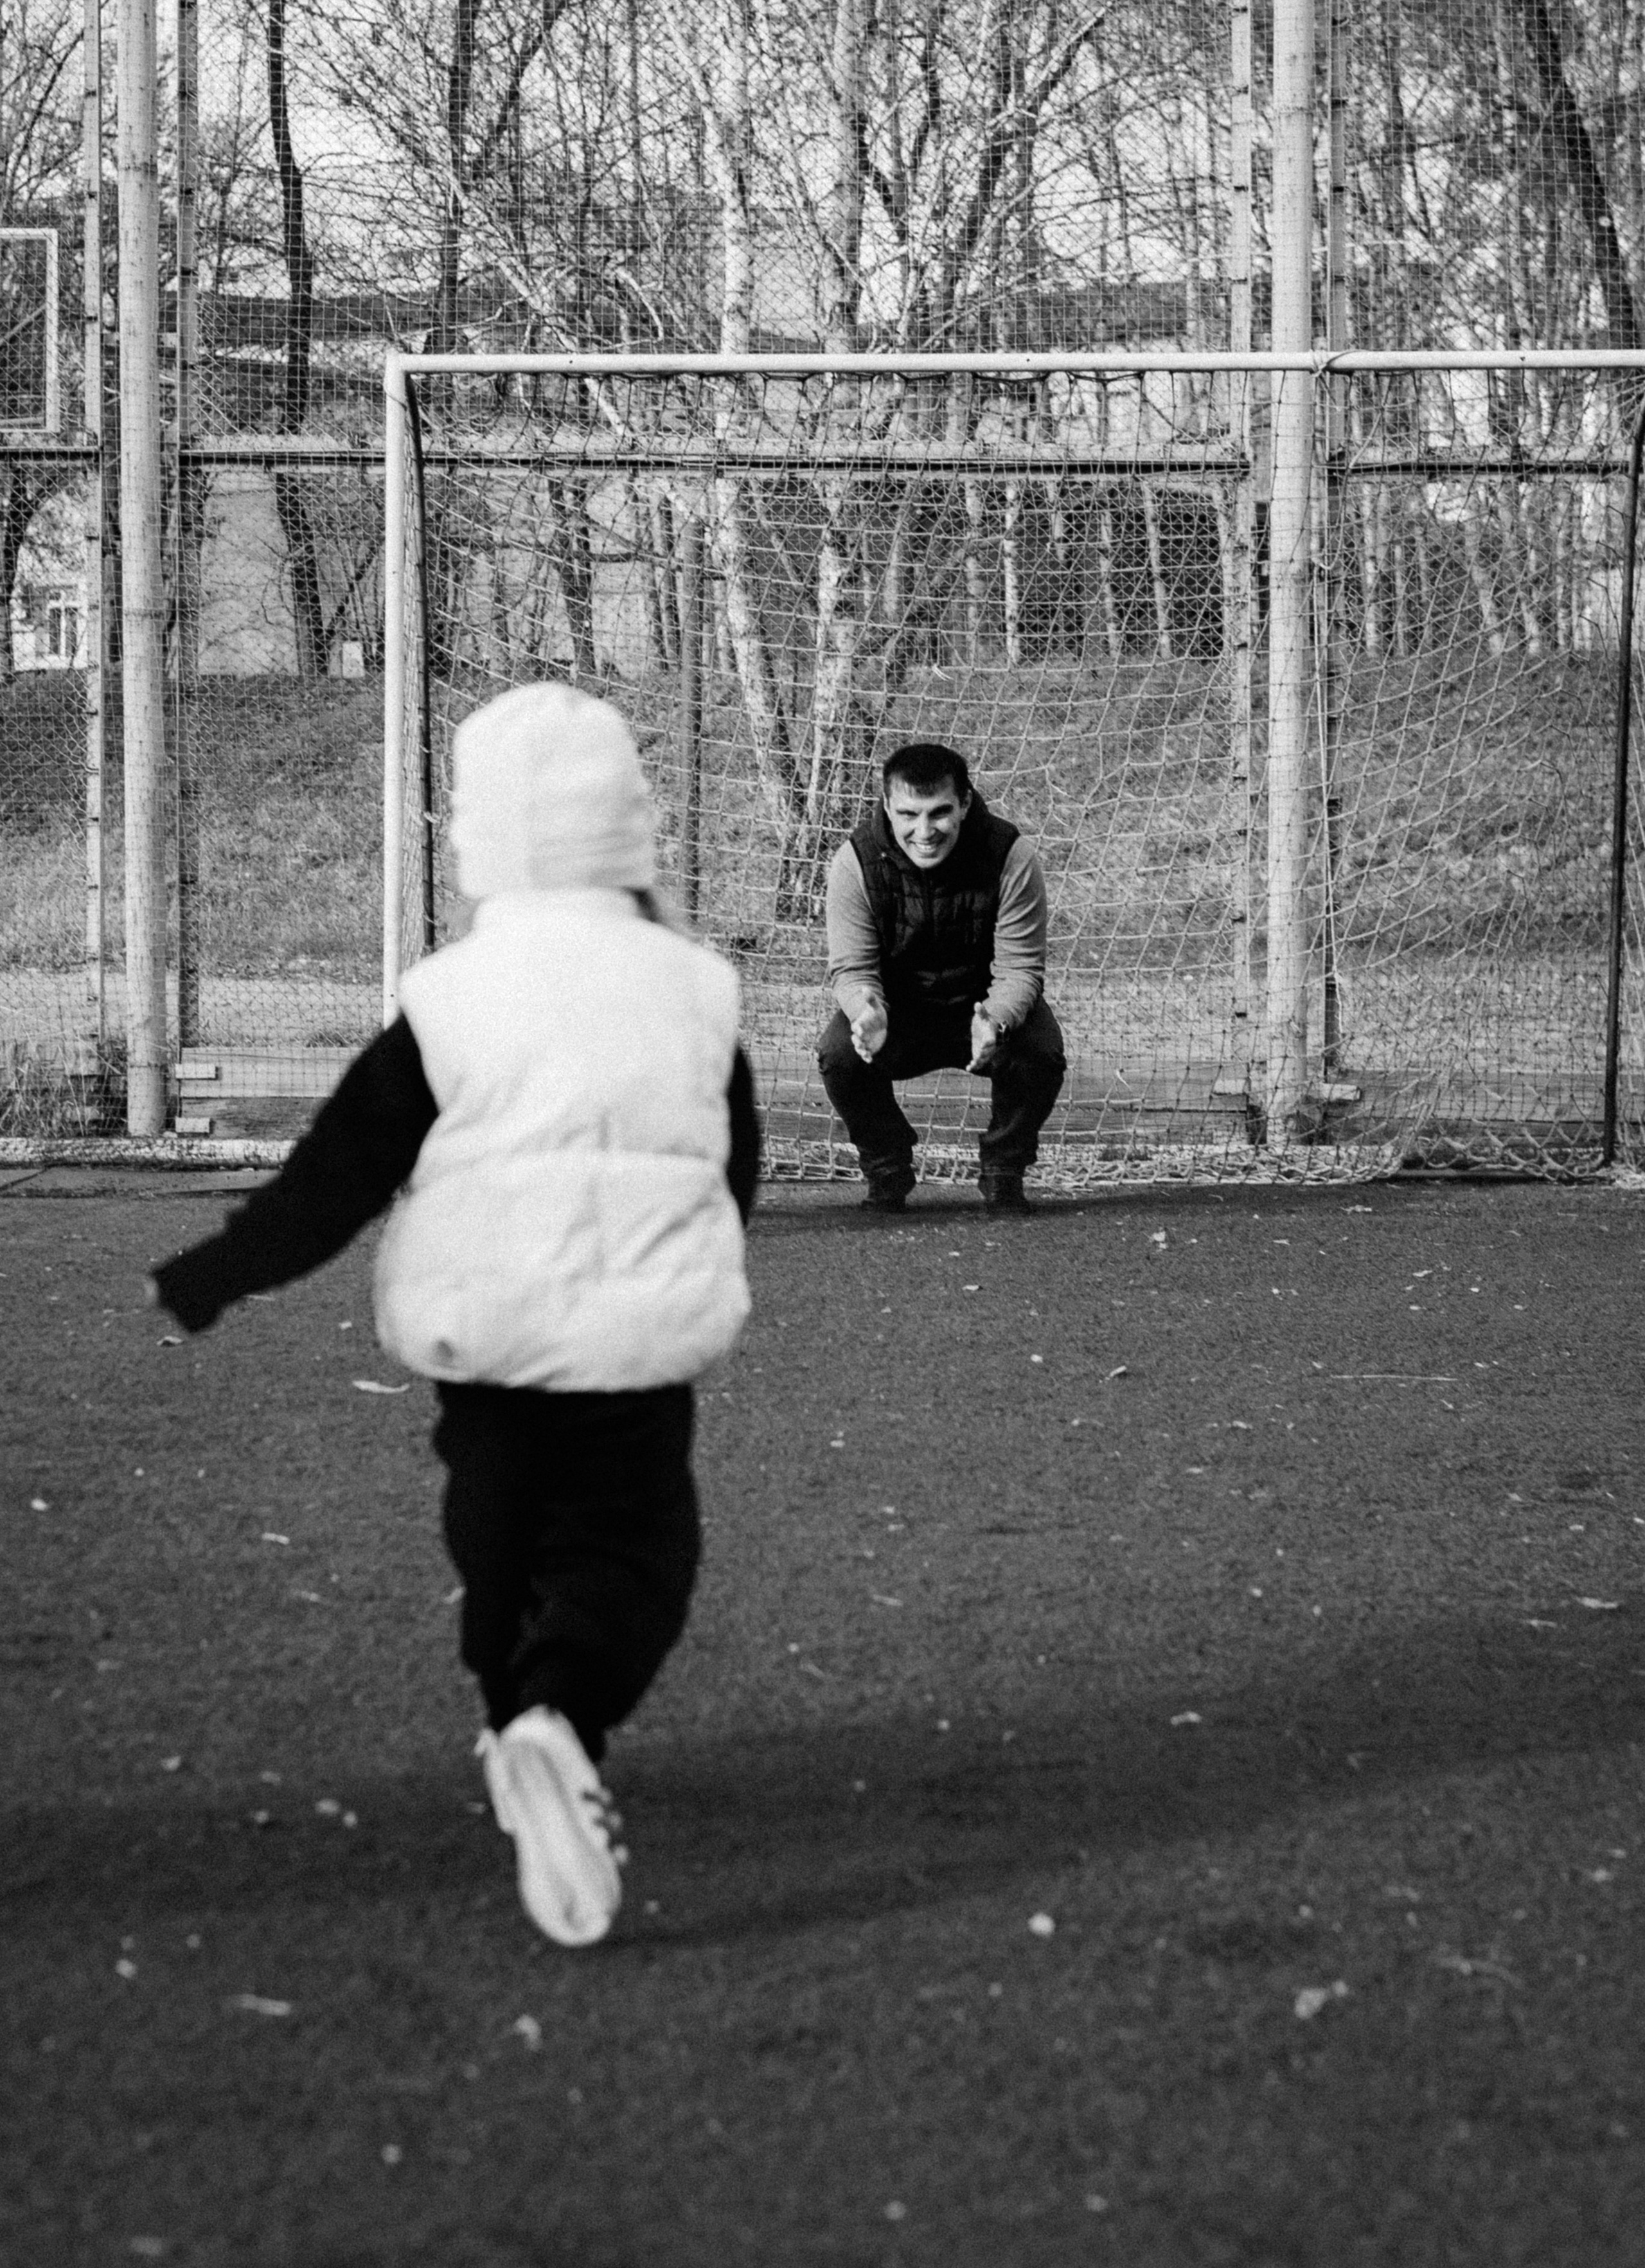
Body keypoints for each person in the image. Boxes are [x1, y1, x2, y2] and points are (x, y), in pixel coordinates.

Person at [148, 684, 760, 1949]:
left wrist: (218, 1270)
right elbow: (728, 1162)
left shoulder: (450, 996)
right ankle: (558, 1723)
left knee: (498, 1546)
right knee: (628, 1556)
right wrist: (694, 1250)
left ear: (477, 833)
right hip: (631, 1353)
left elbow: (339, 1171)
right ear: (628, 825)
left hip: (484, 1352)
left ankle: (514, 1717)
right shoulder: (694, 990)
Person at [817, 741, 1065, 1213]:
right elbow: (852, 968)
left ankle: (1003, 1170)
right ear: (888, 806)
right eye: (909, 814)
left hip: (981, 1014)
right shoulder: (854, 862)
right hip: (897, 1018)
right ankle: (887, 1169)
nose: (924, 831)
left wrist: (996, 1019)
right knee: (839, 1053)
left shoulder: (1011, 856)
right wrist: (865, 1009)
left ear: (966, 803)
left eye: (940, 813)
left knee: (1042, 1049)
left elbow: (1022, 968)